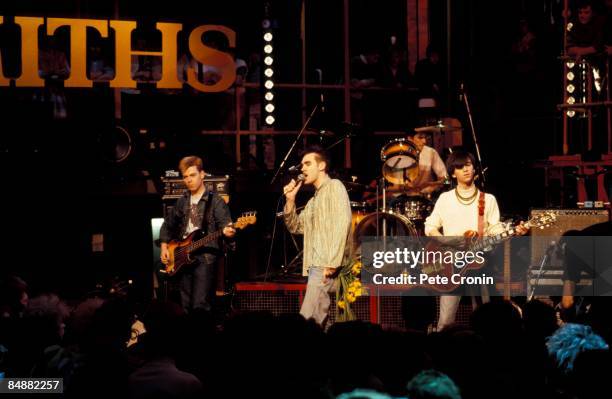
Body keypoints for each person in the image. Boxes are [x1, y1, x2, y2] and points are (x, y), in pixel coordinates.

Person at [424, 151, 528, 330]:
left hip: (480, 263)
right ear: (452, 172)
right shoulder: (445, 199)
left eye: (468, 165)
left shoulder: (488, 200)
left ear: (475, 169)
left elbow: (495, 230)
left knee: (484, 320)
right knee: (445, 321)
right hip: (450, 264)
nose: (465, 169)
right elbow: (430, 228)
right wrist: (448, 241)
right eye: (459, 166)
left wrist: (513, 231)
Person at [283, 145, 352, 326]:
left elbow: (342, 223)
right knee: (320, 321)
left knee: (307, 319)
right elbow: (296, 227)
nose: (302, 168)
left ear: (321, 166)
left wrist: (333, 261)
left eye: (307, 164)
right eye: (302, 165)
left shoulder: (335, 187)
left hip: (325, 264)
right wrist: (290, 200)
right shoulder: (313, 200)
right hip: (315, 264)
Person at [159, 156, 235, 312]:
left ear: (202, 174)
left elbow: (226, 226)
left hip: (205, 258)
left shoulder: (216, 201)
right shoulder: (182, 201)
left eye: (192, 175)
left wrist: (229, 232)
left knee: (200, 305)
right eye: (185, 177)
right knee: (184, 305)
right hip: (182, 256)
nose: (188, 180)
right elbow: (167, 224)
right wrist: (164, 247)